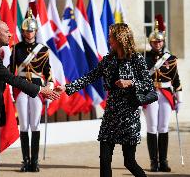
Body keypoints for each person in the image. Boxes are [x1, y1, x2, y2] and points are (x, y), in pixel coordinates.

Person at [55, 23, 154, 177]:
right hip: (111, 115)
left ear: (120, 38)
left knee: (129, 162)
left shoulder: (136, 59)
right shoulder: (109, 59)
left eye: (111, 37)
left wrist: (131, 82)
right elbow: (90, 76)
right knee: (105, 160)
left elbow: (148, 84)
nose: (109, 40)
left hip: (129, 116)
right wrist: (67, 87)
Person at [0, 19, 59, 177]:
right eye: (7, 31)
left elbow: (44, 70)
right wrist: (41, 90)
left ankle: (33, 160)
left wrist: (45, 85)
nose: (10, 34)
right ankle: (27, 159)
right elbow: (11, 77)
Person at [9, 12, 53, 172]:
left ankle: (34, 161)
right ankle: (25, 160)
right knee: (23, 124)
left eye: (31, 30)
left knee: (35, 124)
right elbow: (10, 70)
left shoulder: (43, 50)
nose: (29, 33)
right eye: (27, 30)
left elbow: (48, 72)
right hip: (21, 88)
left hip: (36, 88)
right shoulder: (16, 49)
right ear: (23, 31)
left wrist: (51, 87)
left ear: (36, 31)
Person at [143, 14, 182, 172]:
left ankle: (164, 161)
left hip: (165, 94)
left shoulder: (170, 59)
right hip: (150, 94)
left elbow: (176, 80)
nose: (157, 44)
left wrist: (180, 101)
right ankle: (154, 162)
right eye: (154, 41)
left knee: (163, 127)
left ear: (163, 41)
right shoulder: (144, 58)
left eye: (159, 41)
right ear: (150, 42)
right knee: (152, 127)